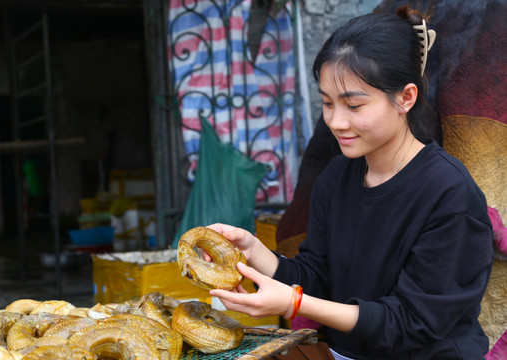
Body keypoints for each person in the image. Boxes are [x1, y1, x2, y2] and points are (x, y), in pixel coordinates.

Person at [207, 5, 494, 360]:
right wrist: (256, 254)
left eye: (353, 106)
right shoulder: (337, 177)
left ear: (405, 97)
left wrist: (295, 303)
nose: (336, 122)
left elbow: (412, 322)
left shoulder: (448, 192)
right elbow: (319, 277)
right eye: (327, 103)